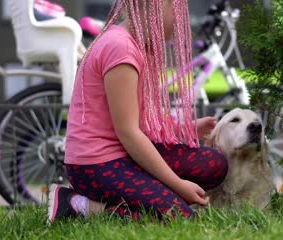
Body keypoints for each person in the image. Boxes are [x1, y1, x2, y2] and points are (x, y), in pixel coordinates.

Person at [47, 0, 228, 224]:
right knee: (179, 218)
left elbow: (141, 120)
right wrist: (177, 184)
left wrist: (185, 129)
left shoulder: (141, 45)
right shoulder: (120, 47)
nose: (182, 21)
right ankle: (77, 205)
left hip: (125, 155)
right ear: (157, 7)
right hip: (96, 166)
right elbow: (129, 132)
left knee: (213, 164)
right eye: (177, 10)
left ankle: (149, 192)